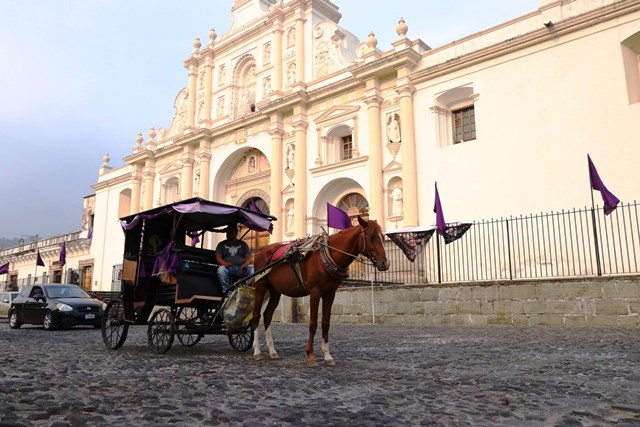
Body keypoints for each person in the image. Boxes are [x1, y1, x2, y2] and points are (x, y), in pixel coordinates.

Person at [215, 225, 254, 293]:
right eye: (227, 232)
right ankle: (227, 292)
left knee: (253, 269)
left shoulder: (243, 244)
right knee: (221, 270)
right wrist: (224, 264)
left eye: (231, 232)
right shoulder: (221, 244)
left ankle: (246, 287)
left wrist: (246, 264)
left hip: (241, 268)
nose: (228, 234)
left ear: (235, 233)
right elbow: (218, 257)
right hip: (228, 268)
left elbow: (249, 256)